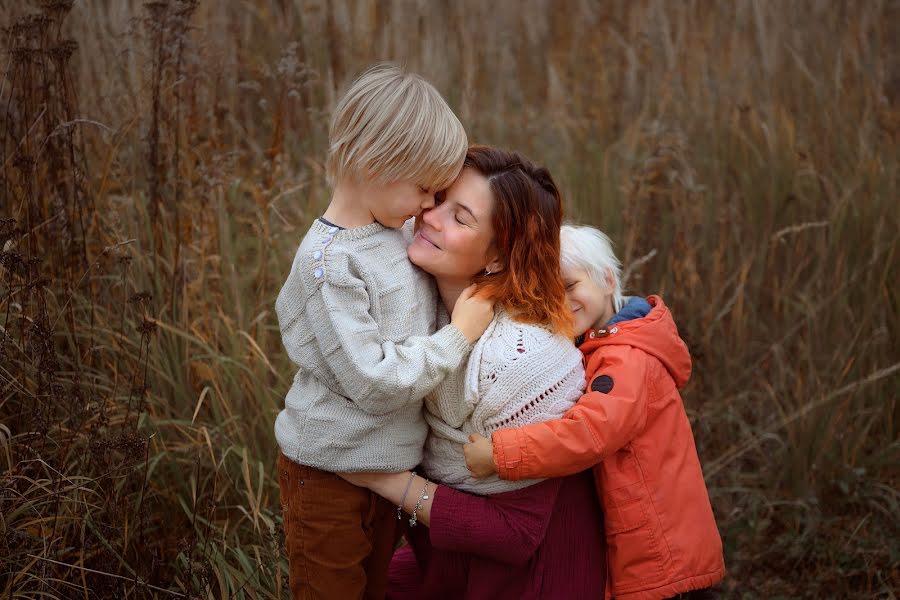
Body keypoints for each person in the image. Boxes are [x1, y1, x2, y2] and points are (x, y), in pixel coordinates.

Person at [340, 146, 607, 599]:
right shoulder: (408, 299)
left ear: (499, 256)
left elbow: (515, 532)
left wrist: (380, 478)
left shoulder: (523, 361)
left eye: (461, 218)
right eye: (437, 198)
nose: (430, 218)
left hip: (532, 579)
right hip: (445, 559)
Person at [274, 64, 495, 599]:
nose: (429, 207)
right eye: (424, 190)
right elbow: (372, 382)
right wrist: (458, 336)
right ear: (376, 163)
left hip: (387, 468)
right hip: (330, 472)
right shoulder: (329, 267)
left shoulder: (393, 232)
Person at [464, 224, 726, 600]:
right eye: (547, 295)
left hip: (659, 557)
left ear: (606, 279)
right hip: (650, 550)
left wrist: (500, 454)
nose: (560, 302)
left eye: (569, 286)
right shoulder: (598, 347)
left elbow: (592, 431)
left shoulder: (627, 358)